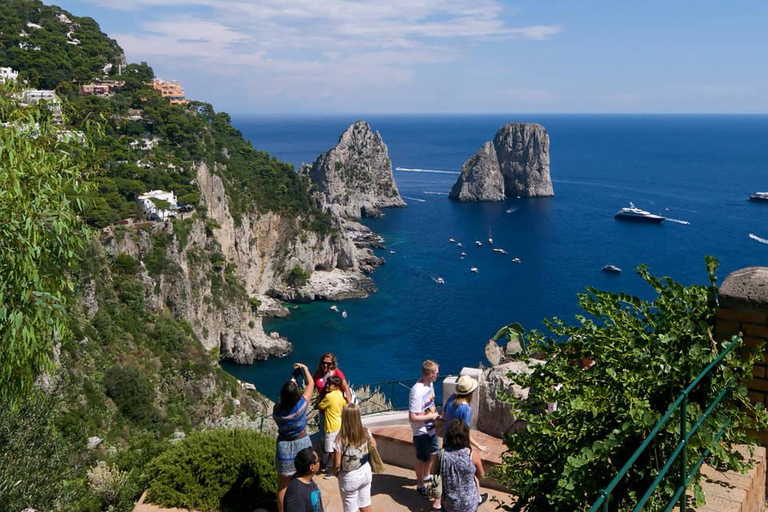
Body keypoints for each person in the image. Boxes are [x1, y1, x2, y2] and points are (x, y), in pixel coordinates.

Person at [274, 363, 314, 512]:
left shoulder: (277, 410)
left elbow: (287, 396)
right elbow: (311, 384)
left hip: (284, 447)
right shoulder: (300, 408)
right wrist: (305, 369)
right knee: (305, 480)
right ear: (296, 395)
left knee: (283, 486)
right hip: (301, 444)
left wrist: (292, 380)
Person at [333, 403, 376, 512]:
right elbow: (374, 444)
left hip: (349, 477)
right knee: (365, 505)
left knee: (350, 509)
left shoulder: (340, 439)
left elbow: (337, 463)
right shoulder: (365, 431)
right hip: (365, 471)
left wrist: (336, 473)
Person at [409, 359, 441, 499]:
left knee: (434, 453)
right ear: (430, 374)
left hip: (432, 428)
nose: (438, 376)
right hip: (421, 431)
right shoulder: (417, 391)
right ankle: (420, 484)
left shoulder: (430, 384)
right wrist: (432, 416)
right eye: (436, 373)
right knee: (421, 457)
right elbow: (413, 417)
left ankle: (427, 475)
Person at [440, 419, 485, 512]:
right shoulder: (473, 455)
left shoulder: (441, 455)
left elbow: (436, 473)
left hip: (449, 503)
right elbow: (481, 475)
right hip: (469, 504)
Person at [442, 375, 489, 454]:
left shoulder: (451, 398)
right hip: (458, 445)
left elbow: (443, 416)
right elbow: (465, 433)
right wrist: (479, 446)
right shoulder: (466, 409)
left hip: (446, 441)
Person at [318, 375, 346, 478]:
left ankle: (331, 470)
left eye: (330, 384)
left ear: (335, 386)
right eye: (327, 383)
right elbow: (344, 404)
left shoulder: (329, 397)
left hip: (330, 427)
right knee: (338, 448)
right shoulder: (340, 394)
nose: (327, 385)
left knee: (331, 450)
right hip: (339, 424)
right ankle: (339, 466)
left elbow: (320, 406)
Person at [283, 447, 324, 512]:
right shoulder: (295, 492)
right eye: (318, 460)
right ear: (312, 467)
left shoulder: (309, 481)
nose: (319, 462)